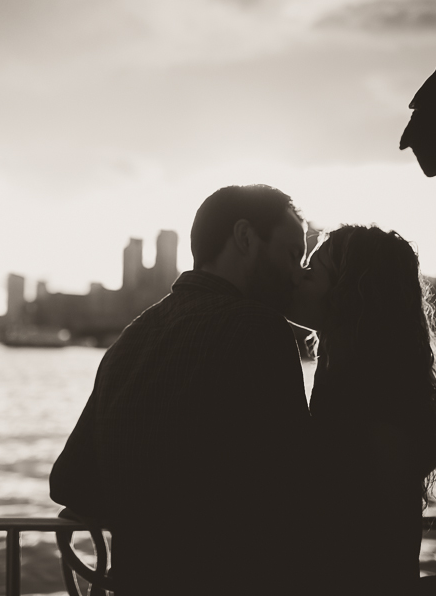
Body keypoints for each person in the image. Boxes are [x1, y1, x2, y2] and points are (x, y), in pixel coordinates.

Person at [50, 184, 315, 595]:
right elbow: (297, 491)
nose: (298, 273)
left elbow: (68, 482)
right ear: (245, 237)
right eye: (292, 253)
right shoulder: (260, 330)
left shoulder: (132, 337)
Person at [290, 224, 436, 595]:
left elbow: (387, 540)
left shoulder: (375, 401)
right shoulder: (341, 370)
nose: (297, 277)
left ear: (346, 296)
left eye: (312, 270)